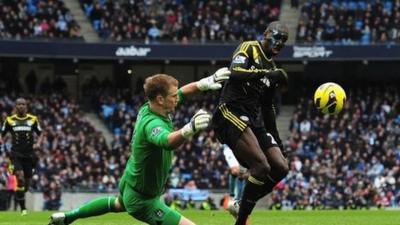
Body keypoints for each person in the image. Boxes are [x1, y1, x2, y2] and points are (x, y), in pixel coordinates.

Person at [49, 67, 230, 225]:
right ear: (160, 99)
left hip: (131, 181)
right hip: (143, 199)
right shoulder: (151, 124)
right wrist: (189, 129)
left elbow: (183, 92)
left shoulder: (150, 107)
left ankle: (69, 217)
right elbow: (167, 141)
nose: (177, 99)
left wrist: (205, 82)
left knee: (117, 204)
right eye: (173, 97)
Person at [211, 21, 290, 225]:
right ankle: (242, 220)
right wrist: (265, 74)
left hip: (253, 119)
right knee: (261, 166)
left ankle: (240, 203)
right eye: (276, 37)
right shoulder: (249, 48)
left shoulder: (272, 67)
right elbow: (234, 73)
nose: (279, 43)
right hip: (230, 111)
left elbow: (266, 107)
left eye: (284, 41)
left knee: (281, 167)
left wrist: (279, 143)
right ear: (265, 34)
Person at [0, 97, 43, 215]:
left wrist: (38, 143)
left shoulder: (33, 119)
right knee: (20, 178)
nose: (21, 106)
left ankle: (21, 197)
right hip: (16, 154)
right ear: (15, 106)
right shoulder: (9, 120)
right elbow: (2, 134)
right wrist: (2, 141)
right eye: (19, 104)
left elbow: (41, 133)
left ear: (26, 106)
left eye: (23, 104)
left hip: (29, 155)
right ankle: (23, 208)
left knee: (26, 185)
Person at [221, 144, 246, 214]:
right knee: (235, 171)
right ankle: (233, 197)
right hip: (229, 147)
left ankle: (237, 200)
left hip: (238, 147)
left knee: (242, 174)